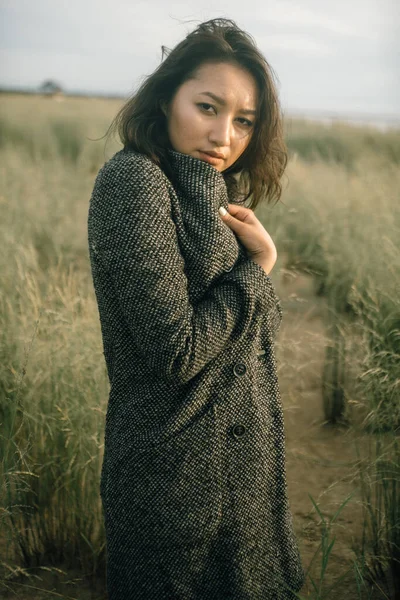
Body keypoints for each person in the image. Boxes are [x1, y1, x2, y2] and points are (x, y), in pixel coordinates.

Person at [87, 17, 305, 600]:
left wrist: (250, 275)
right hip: (172, 477)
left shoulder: (215, 195)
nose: (223, 136)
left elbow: (253, 341)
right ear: (165, 98)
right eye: (207, 108)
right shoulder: (134, 182)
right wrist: (257, 269)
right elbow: (177, 354)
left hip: (243, 467)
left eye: (244, 121)